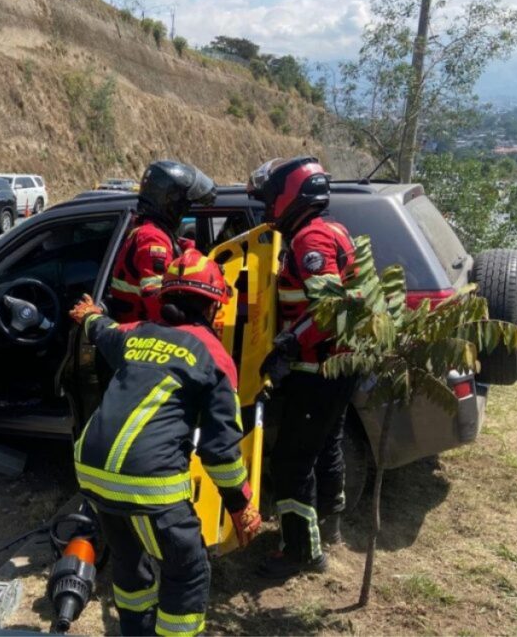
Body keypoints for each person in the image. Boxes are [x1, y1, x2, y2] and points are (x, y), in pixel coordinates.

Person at [70, 250, 262, 637]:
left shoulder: (137, 334)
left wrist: (89, 314)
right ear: (212, 307)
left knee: (128, 558)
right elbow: (220, 451)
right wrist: (241, 505)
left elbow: (104, 331)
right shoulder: (214, 356)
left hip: (91, 470)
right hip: (149, 482)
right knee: (187, 571)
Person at [246, 156, 357, 579]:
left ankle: (300, 552)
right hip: (337, 365)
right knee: (326, 445)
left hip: (317, 368)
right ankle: (330, 527)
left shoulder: (310, 240)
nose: (268, 207)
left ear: (291, 195)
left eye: (271, 198)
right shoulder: (333, 229)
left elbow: (328, 308)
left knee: (292, 462)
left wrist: (288, 344)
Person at [108, 161, 216, 323]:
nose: (185, 210)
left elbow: (177, 246)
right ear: (169, 203)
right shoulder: (152, 238)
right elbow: (158, 303)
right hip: (140, 332)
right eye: (184, 205)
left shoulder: (152, 230)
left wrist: (203, 257)